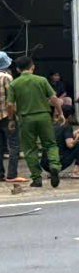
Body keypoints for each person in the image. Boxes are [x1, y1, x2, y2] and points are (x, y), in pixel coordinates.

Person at [9, 56, 64, 188]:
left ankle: (37, 179)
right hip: (44, 116)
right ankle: (55, 166)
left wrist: (11, 119)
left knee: (30, 149)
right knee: (50, 144)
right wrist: (60, 113)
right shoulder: (42, 80)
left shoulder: (14, 84)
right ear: (32, 67)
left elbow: (10, 104)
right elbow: (54, 98)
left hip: (26, 119)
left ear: (17, 69)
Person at [0, 52, 24, 185]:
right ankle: (11, 175)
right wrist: (12, 119)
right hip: (6, 116)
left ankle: (0, 174)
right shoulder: (6, 77)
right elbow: (11, 101)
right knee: (14, 145)